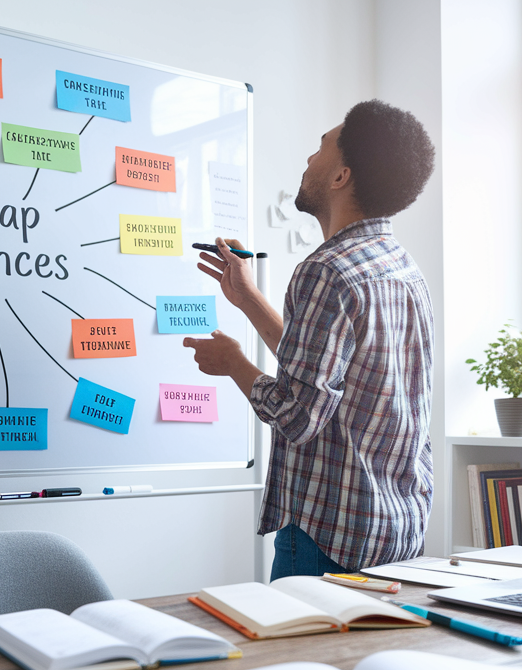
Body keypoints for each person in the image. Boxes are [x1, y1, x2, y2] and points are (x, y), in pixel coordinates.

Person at [183, 99, 435, 580]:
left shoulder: (327, 270)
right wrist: (249, 298)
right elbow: (331, 377)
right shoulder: (401, 268)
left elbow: (298, 414)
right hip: (397, 529)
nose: (308, 159)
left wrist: (234, 362)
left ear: (341, 176)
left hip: (328, 538)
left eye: (321, 146)